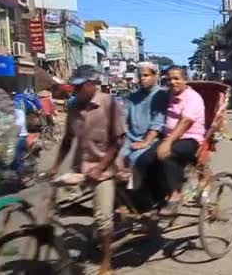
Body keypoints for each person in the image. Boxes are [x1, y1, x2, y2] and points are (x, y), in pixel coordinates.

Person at [49, 65, 125, 275]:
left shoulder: (109, 104)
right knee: (57, 207)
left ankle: (107, 263)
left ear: (91, 85)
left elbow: (118, 141)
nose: (74, 90)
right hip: (80, 167)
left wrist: (100, 168)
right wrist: (55, 167)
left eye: (79, 86)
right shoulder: (73, 107)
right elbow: (67, 140)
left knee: (103, 219)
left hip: (106, 169)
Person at [156, 66, 206, 216]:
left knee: (168, 154)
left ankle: (175, 195)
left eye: (176, 78)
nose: (173, 82)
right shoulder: (170, 95)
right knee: (147, 157)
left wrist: (167, 142)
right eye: (170, 79)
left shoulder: (193, 98)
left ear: (185, 80)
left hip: (190, 138)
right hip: (171, 137)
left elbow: (185, 123)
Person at [120, 62, 168, 193]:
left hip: (153, 139)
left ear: (155, 76)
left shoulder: (161, 95)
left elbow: (157, 123)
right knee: (116, 157)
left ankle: (135, 196)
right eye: (140, 76)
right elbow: (123, 117)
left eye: (146, 75)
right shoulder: (132, 96)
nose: (142, 79)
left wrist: (145, 142)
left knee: (135, 158)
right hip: (131, 137)